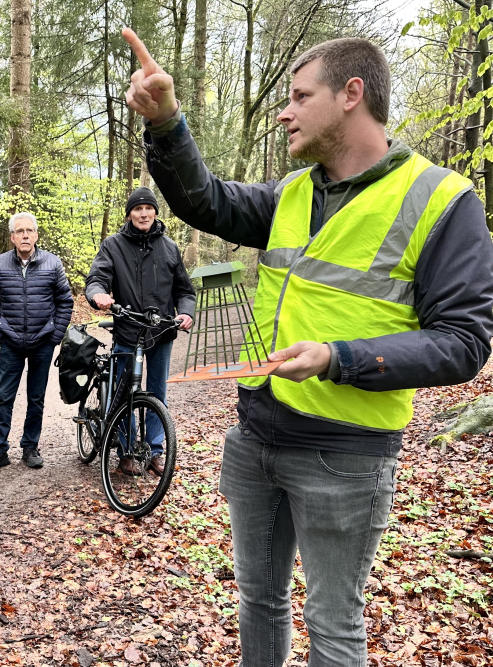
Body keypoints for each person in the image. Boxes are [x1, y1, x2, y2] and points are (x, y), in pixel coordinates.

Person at [123, 30, 493, 666]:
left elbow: (463, 342)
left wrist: (339, 357)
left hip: (344, 459)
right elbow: (205, 199)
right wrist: (167, 123)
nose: (284, 110)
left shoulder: (442, 199)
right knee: (257, 600)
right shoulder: (292, 191)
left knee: (333, 623)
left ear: (352, 95)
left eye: (299, 96)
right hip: (255, 438)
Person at [84, 186, 195, 476]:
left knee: (158, 393)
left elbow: (185, 290)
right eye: (137, 208)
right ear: (130, 214)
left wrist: (185, 312)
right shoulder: (114, 245)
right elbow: (97, 278)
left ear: (155, 212)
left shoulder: (169, 247)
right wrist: (99, 295)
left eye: (148, 208)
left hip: (160, 333)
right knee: (125, 394)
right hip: (128, 330)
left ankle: (155, 451)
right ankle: (127, 451)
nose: (143, 213)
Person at [0, 212, 73, 472]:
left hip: (43, 341)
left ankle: (30, 447)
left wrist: (55, 335)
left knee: (37, 398)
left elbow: (65, 301)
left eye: (29, 231)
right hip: (11, 342)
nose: (25, 235)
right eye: (20, 231)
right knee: (4, 397)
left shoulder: (52, 264)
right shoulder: (0, 265)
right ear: (12, 237)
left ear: (36, 235)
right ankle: (0, 451)